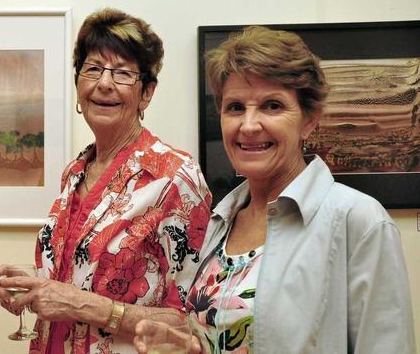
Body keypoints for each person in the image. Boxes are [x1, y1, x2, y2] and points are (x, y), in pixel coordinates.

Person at [135, 25, 416, 353]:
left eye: (272, 106)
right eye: (235, 107)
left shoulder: (358, 221)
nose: (249, 125)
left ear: (310, 119)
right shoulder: (216, 226)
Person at [0, 8, 211, 354]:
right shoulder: (75, 171)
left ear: (146, 93)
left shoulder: (174, 177)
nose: (104, 83)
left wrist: (84, 306)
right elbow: (67, 285)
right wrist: (34, 292)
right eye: (93, 69)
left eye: (123, 73)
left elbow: (195, 322)